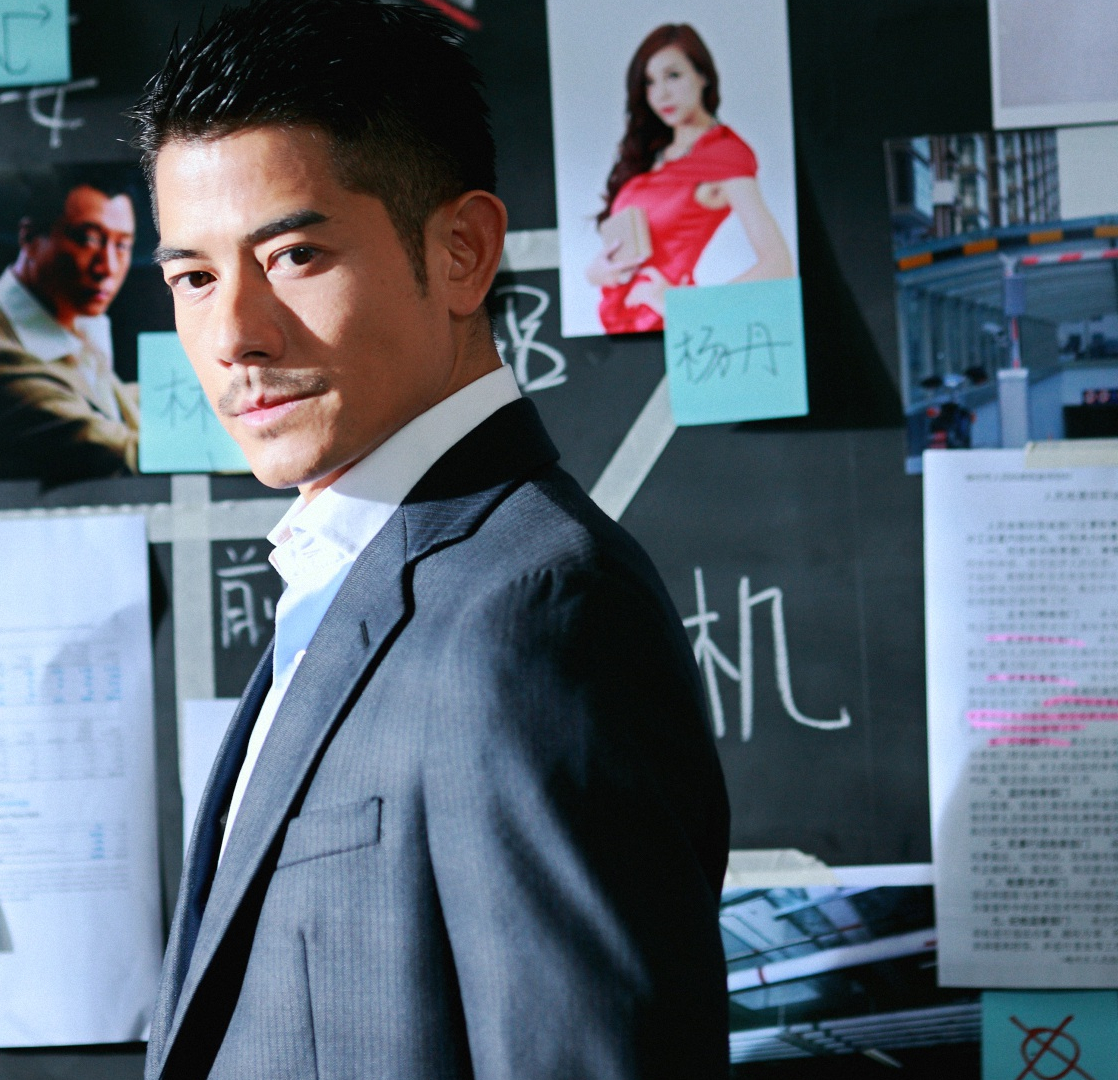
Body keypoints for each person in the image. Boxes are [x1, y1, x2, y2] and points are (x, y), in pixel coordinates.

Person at [132, 2, 729, 1077]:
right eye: (195, 278)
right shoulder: (346, 570)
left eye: (295, 254)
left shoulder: (538, 612)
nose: (233, 336)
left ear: (463, 252)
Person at [585, 24, 794, 335]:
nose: (661, 94)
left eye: (673, 76)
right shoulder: (654, 153)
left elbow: (778, 265)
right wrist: (597, 273)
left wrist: (688, 304)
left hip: (672, 328)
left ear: (703, 75)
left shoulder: (723, 152)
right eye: (650, 82)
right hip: (619, 328)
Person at [0, 169, 141, 482]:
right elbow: (126, 456)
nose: (108, 267)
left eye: (122, 245)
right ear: (30, 238)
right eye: (88, 239)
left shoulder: (52, 306)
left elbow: (103, 399)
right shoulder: (3, 364)